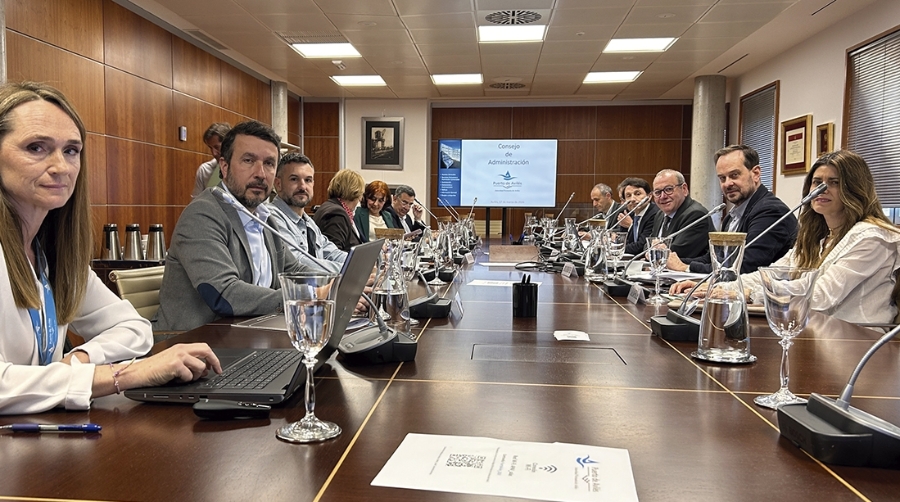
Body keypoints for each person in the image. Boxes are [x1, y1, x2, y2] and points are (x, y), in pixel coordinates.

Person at [0, 81, 220, 415]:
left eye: (71, 150)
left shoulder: (53, 256)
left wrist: (80, 359)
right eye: (36, 147)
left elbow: (135, 329)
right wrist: (121, 374)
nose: (61, 166)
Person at [673, 150, 900, 325]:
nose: (821, 190)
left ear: (855, 188)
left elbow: (821, 294)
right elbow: (772, 273)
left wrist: (750, 292)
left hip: (856, 344)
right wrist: (722, 286)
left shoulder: (873, 237)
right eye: (817, 182)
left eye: (834, 182)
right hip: (814, 331)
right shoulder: (819, 237)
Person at [154, 121, 318, 332]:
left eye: (269, 163)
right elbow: (224, 293)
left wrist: (335, 286)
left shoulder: (265, 218)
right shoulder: (203, 214)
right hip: (195, 345)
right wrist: (305, 297)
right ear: (224, 166)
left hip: (252, 335)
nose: (260, 173)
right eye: (249, 160)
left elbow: (294, 269)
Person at [666, 145, 797, 274]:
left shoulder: (771, 211)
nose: (727, 184)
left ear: (756, 174)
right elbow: (714, 259)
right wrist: (675, 262)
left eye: (734, 175)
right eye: (722, 178)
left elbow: (745, 266)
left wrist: (686, 268)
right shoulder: (732, 215)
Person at [267, 153, 347, 273]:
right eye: (294, 179)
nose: (303, 186)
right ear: (278, 184)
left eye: (308, 180)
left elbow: (332, 253)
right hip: (292, 291)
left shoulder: (308, 221)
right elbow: (299, 263)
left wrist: (363, 264)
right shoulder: (271, 218)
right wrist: (349, 271)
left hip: (319, 289)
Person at [649, 169, 714, 259]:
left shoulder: (696, 214)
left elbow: (676, 253)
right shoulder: (660, 215)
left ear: (684, 189)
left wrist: (652, 252)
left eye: (668, 189)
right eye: (657, 192)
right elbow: (648, 244)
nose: (663, 196)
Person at [314, 169, 366, 252]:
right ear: (356, 192)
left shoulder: (331, 206)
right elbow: (334, 254)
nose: (361, 198)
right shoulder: (337, 214)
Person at [615, 177, 660, 255]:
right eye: (628, 195)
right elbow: (621, 241)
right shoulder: (629, 214)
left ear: (649, 196)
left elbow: (641, 246)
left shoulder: (655, 214)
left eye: (637, 194)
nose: (632, 199)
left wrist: (613, 248)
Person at [192, 122, 230, 198]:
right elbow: (196, 200)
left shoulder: (243, 168)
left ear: (228, 144)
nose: (214, 153)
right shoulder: (205, 169)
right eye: (210, 148)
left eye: (217, 147)